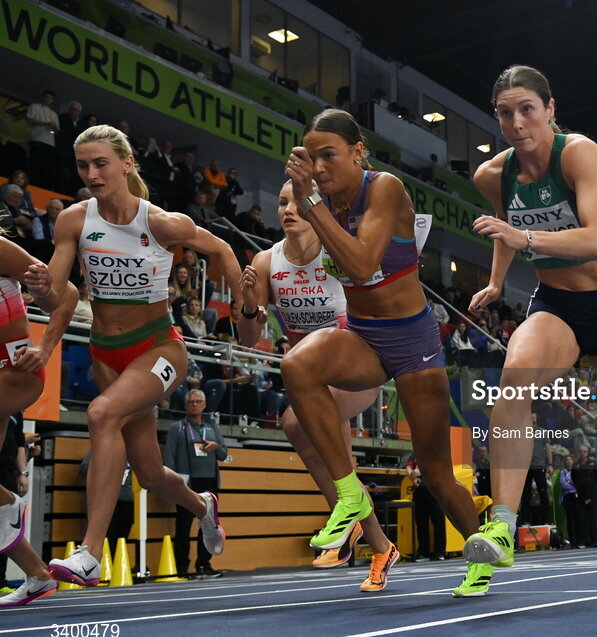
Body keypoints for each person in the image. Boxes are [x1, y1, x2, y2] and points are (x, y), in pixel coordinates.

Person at [462, 66, 597, 595]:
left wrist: (523, 237)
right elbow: (504, 230)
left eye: (527, 108)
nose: (516, 121)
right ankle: (501, 527)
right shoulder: (493, 175)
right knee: (513, 382)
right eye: (505, 112)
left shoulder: (579, 154)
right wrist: (495, 280)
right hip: (555, 304)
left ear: (550, 109)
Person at [280, 109, 481, 595]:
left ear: (357, 152)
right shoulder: (322, 201)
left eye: (330, 155)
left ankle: (479, 552)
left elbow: (362, 262)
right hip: (363, 336)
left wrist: (310, 202)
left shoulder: (384, 187)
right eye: (313, 157)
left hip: (413, 343)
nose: (321, 166)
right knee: (296, 365)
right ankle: (348, 494)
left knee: (435, 473)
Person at [40, 125, 241, 585]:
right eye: (83, 165)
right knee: (150, 473)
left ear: (127, 164)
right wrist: (41, 288)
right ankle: (202, 504)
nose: (91, 173)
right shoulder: (73, 219)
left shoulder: (160, 222)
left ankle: (90, 552)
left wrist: (247, 305)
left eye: (101, 163)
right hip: (105, 352)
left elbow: (223, 248)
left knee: (101, 413)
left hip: (159, 347)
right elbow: (55, 294)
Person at [237, 180, 397, 590]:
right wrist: (251, 305)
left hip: (355, 364)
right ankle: (379, 546)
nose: (287, 210)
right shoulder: (266, 260)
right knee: (337, 458)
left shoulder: (338, 248)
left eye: (295, 202)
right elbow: (248, 340)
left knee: (294, 424)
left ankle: (345, 527)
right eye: (280, 202)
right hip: (309, 378)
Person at [0, 236, 77, 606]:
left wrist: (45, 347)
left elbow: (67, 295)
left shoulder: (2, 250)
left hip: (15, 372)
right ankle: (38, 574)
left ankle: (8, 506)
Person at [164, 389, 227, 578]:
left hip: (209, 482)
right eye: (190, 402)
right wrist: (172, 484)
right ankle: (181, 567)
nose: (194, 404)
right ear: (185, 405)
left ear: (205, 405)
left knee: (208, 525)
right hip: (187, 483)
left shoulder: (212, 426)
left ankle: (204, 564)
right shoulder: (178, 427)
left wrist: (216, 447)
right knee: (183, 526)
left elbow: (224, 454)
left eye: (198, 401)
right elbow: (170, 457)